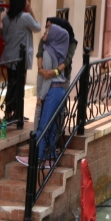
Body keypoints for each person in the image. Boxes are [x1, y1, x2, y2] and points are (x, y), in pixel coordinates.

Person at [16, 24, 70, 168]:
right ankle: (50, 158)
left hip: (52, 91)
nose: (44, 34)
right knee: (51, 127)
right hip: (61, 91)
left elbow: (47, 78)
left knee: (42, 126)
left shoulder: (47, 53)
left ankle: (37, 157)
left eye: (47, 32)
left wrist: (41, 96)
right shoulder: (59, 53)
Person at [1, 0, 41, 120]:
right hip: (20, 57)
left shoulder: (6, 17)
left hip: (9, 56)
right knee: (18, 85)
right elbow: (37, 27)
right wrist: (31, 10)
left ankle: (10, 112)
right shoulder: (25, 17)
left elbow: (4, 36)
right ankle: (15, 113)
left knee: (12, 84)